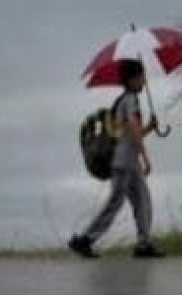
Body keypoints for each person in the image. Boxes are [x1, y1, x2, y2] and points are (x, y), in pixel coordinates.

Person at [69, 59, 165, 258]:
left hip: (129, 162)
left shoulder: (124, 100)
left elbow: (129, 134)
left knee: (143, 201)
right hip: (124, 162)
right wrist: (146, 157)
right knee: (116, 202)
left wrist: (149, 127)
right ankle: (85, 239)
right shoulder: (131, 100)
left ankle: (144, 244)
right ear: (131, 79)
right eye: (141, 77)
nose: (144, 81)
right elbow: (132, 128)